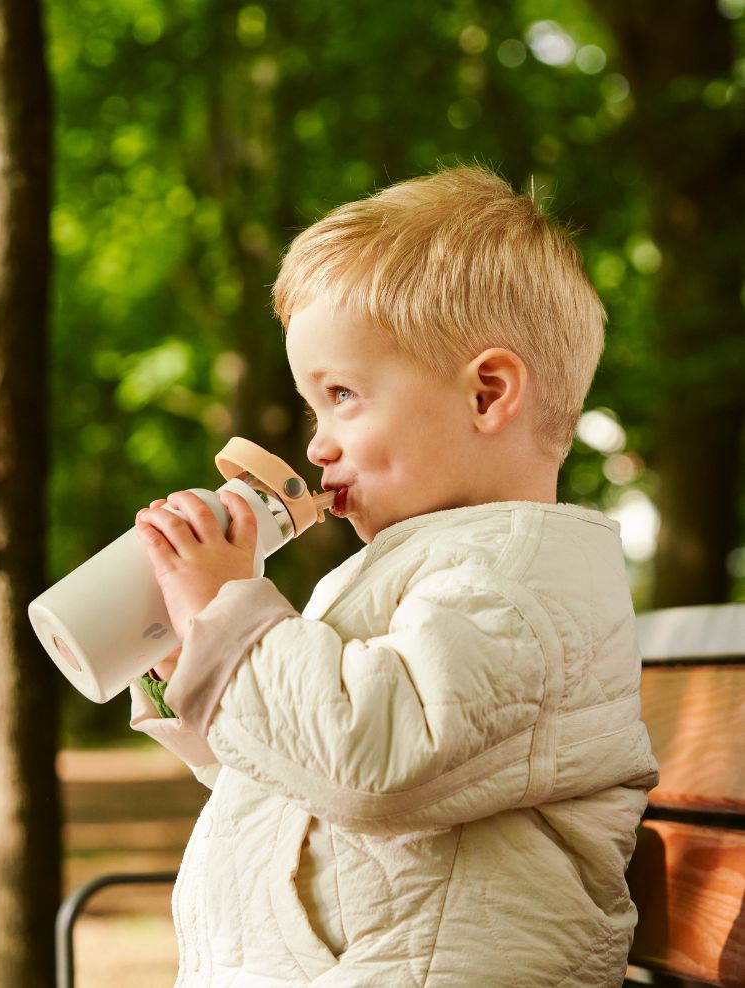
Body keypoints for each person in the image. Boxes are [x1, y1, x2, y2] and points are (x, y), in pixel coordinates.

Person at [130, 165, 659, 987]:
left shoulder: (515, 585)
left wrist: (231, 620)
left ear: (488, 393)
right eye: (314, 408)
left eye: (342, 395)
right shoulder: (432, 565)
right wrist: (192, 661)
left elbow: (369, 762)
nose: (316, 446)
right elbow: (294, 770)